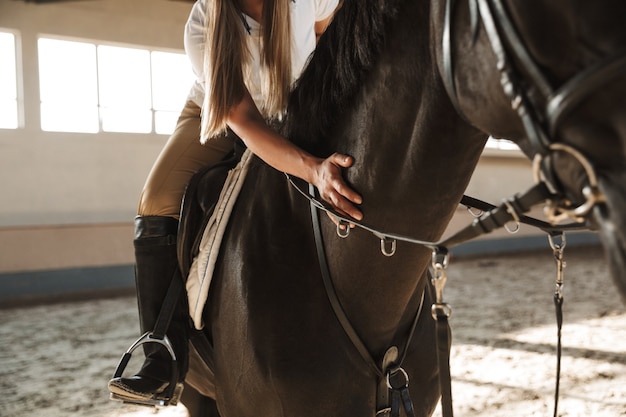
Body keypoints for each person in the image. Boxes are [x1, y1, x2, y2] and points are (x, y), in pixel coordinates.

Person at [108, 0, 362, 402]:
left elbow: (329, 31)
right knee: (156, 199)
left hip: (299, 110)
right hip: (221, 120)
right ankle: (163, 354)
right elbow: (244, 121)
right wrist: (312, 169)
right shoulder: (203, 23)